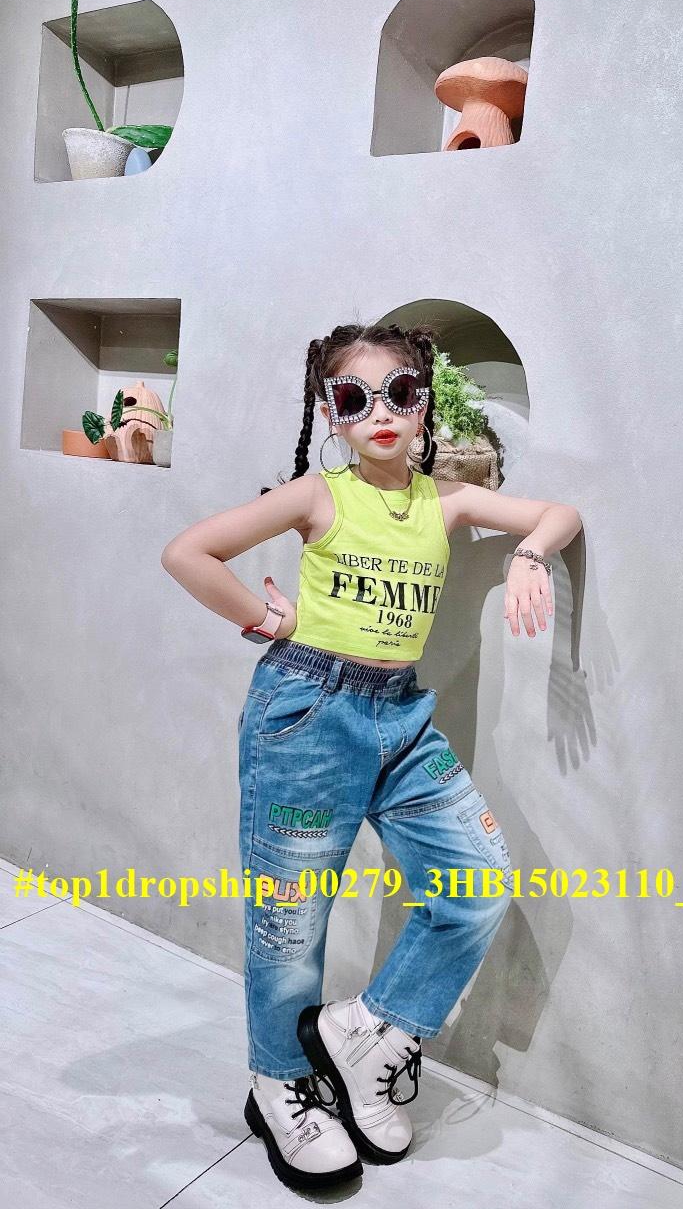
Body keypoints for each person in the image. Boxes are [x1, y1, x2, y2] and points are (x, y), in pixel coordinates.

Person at [160, 321, 583, 1192]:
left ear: (424, 405)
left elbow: (560, 514)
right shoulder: (319, 495)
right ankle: (279, 1083)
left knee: (478, 882)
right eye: (355, 398)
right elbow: (187, 552)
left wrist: (532, 554)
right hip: (309, 713)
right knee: (292, 921)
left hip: (401, 717)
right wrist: (267, 619)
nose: (380, 413)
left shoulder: (446, 502)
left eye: (401, 393)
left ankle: (367, 1035)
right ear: (330, 413)